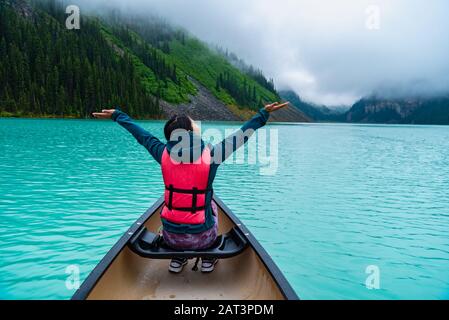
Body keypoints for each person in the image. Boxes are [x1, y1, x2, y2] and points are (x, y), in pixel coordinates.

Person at [92, 101, 288, 273]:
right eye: (194, 124)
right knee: (211, 202)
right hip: (205, 239)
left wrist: (118, 116)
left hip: (170, 239)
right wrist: (263, 114)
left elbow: (141, 135)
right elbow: (240, 136)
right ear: (190, 133)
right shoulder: (211, 156)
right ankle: (208, 258)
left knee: (175, 210)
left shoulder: (162, 153)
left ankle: (178, 257)